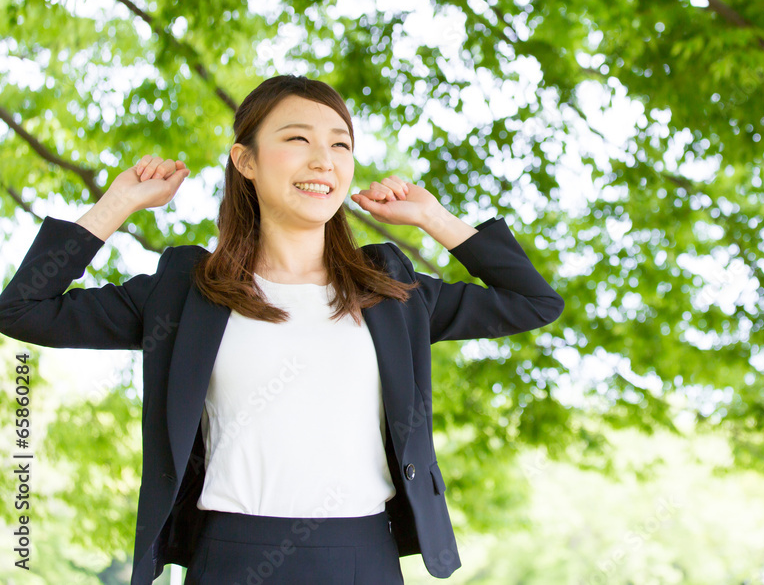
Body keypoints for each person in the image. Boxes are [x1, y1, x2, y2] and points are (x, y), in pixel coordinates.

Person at [0, 75, 565, 584]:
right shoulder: (185, 291)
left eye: (340, 144)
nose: (324, 159)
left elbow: (532, 302)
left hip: (363, 557)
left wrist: (434, 218)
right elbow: (22, 310)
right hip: (231, 556)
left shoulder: (391, 291)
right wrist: (116, 204)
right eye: (298, 139)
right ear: (244, 160)